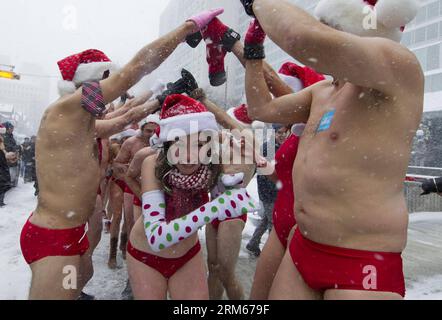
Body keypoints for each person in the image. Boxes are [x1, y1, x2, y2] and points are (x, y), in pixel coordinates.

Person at [19, 8, 225, 300]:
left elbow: (124, 117)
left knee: (83, 278)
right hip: (54, 237)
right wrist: (186, 30)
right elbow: (133, 71)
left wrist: (160, 98)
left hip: (72, 232)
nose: (111, 92)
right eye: (105, 82)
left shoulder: (81, 124)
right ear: (90, 82)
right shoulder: (70, 108)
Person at [241, 0, 423, 299]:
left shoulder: (398, 65)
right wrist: (252, 53)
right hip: (304, 247)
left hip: (361, 258)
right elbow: (261, 107)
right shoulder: (323, 91)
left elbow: (301, 37)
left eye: (332, 28)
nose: (326, 33)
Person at [127, 94, 257, 300]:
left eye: (197, 145)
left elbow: (248, 141)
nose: (188, 156)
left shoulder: (214, 163)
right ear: (168, 144)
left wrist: (207, 104)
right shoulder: (153, 163)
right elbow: (157, 238)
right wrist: (218, 207)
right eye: (179, 144)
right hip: (146, 256)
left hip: (187, 255)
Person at [246, 124, 289, 257]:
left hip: (277, 190)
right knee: (273, 224)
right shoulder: (268, 148)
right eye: (279, 133)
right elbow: (263, 172)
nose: (282, 136)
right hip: (269, 192)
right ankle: (273, 254)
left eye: (284, 133)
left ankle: (253, 244)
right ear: (274, 133)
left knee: (266, 220)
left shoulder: (283, 146)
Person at [2, 122, 19, 187]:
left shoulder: (11, 136)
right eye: (11, 128)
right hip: (6, 158)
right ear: (6, 128)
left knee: (12, 173)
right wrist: (16, 147)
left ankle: (9, 183)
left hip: (12, 159)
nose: (12, 129)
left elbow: (13, 146)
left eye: (12, 128)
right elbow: (7, 146)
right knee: (8, 173)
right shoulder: (4, 136)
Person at [0, 133, 14, 207]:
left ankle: (1, 201)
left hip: (3, 169)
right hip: (2, 169)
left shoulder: (2, 149)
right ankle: (1, 201)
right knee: (2, 185)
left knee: (3, 185)